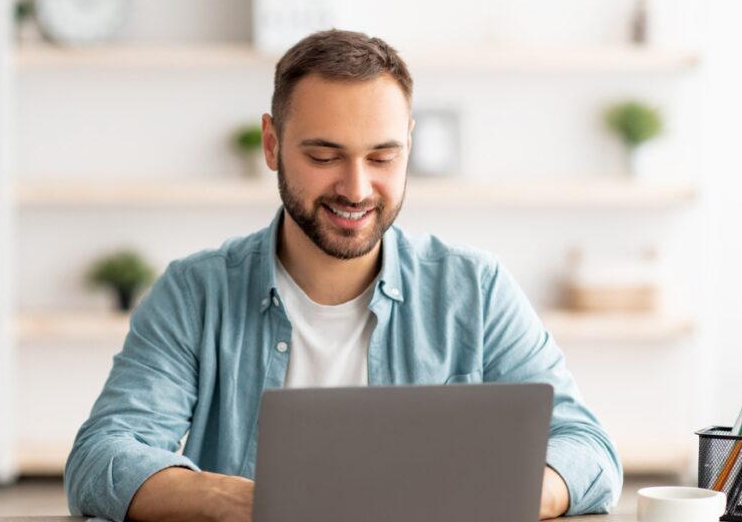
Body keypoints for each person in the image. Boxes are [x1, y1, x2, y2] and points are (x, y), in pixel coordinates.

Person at [64, 29, 622, 522]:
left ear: (409, 145)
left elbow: (589, 451)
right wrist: (243, 502)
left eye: (382, 157)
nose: (356, 189)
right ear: (271, 144)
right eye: (325, 156)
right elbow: (102, 458)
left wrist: (496, 495)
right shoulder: (195, 293)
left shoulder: (475, 289)